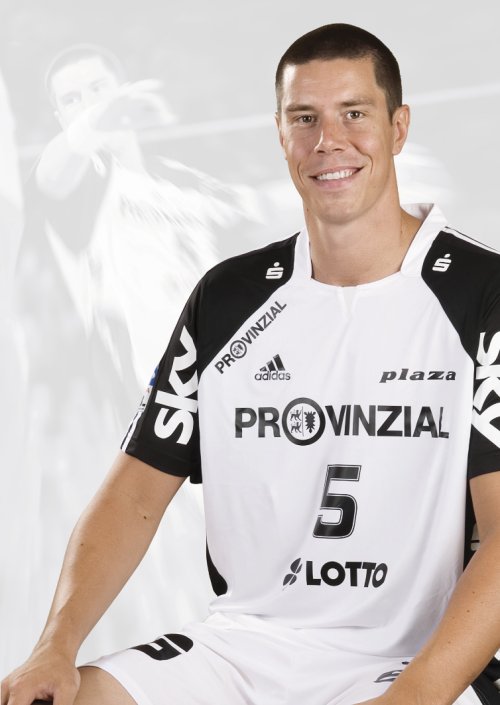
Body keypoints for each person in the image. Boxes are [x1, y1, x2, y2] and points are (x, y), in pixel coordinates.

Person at [3, 22, 500, 705]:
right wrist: (55, 644)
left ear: (398, 127)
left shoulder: (481, 292)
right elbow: (135, 494)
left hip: (412, 659)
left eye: (354, 114)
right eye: (305, 118)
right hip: (243, 648)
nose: (328, 140)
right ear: (280, 133)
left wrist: (414, 695)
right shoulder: (228, 296)